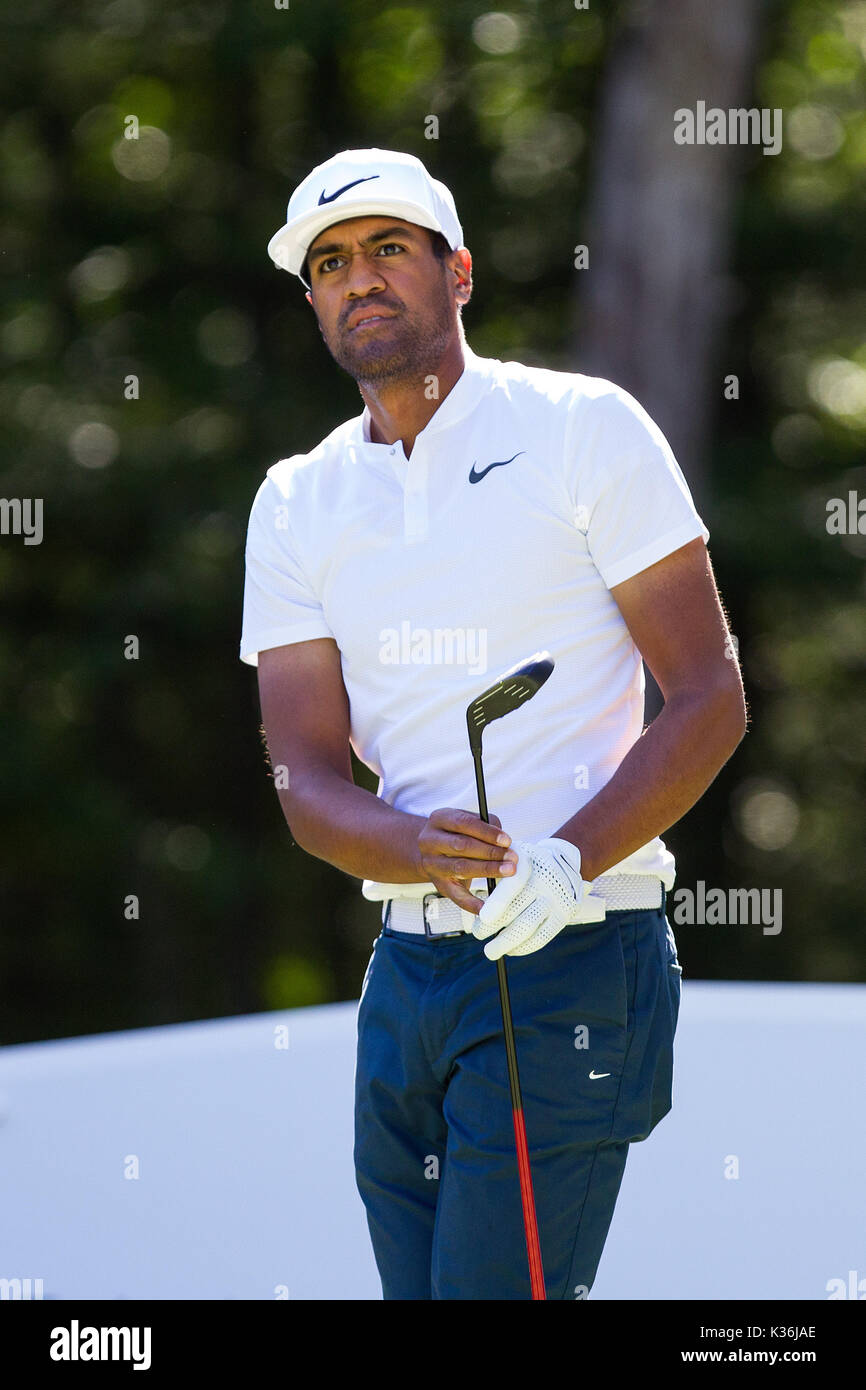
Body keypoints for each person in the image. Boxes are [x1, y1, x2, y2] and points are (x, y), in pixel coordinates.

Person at [239, 147, 747, 1300]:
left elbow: (708, 698)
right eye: (328, 263)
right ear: (311, 300)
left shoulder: (581, 428)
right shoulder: (296, 499)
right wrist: (410, 848)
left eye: (386, 250)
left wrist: (568, 860)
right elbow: (304, 778)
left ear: (456, 272)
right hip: (405, 976)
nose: (357, 279)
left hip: (569, 957)